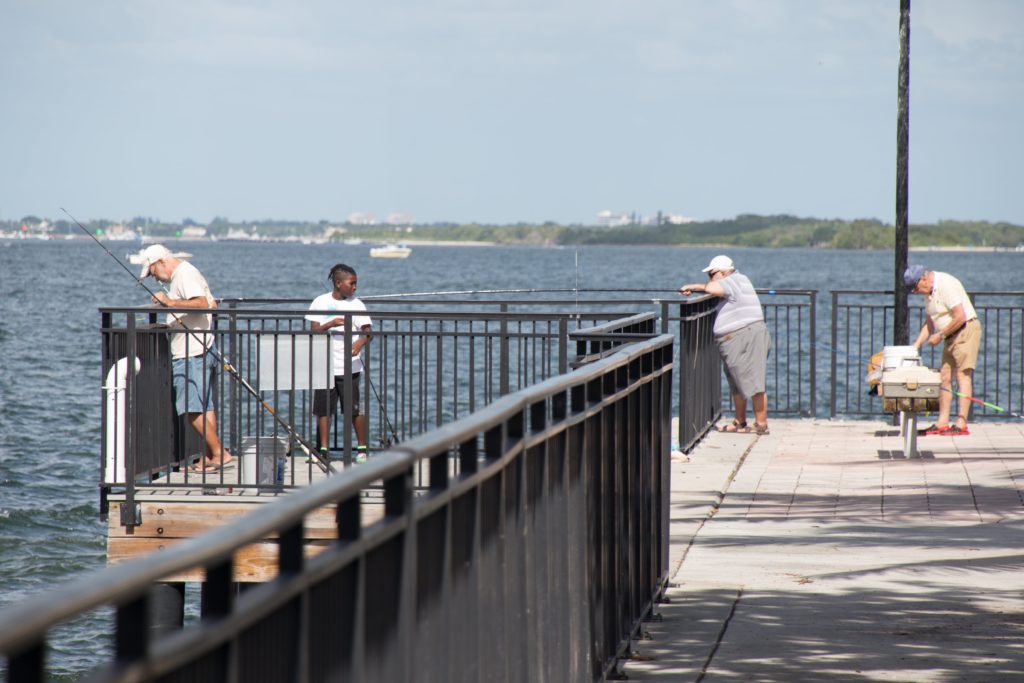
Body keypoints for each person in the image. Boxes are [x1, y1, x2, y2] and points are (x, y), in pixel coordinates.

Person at [138, 244, 233, 472]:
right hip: (201, 347)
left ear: (161, 262)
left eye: (152, 272)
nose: (153, 278)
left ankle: (220, 453)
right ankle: (210, 455)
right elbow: (212, 303)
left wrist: (169, 302)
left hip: (190, 351)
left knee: (190, 409)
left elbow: (200, 303)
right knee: (204, 406)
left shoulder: (183, 274)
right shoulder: (188, 273)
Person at [679, 255, 771, 435]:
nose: (710, 279)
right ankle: (740, 421)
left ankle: (761, 424)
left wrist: (693, 286)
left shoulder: (733, 280)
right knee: (737, 380)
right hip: (739, 337)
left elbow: (714, 288)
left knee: (753, 380)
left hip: (744, 336)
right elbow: (716, 289)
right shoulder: (737, 281)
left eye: (711, 274)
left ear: (721, 273)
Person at [905, 264, 982, 436]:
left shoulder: (945, 284)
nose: (915, 292)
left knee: (963, 375)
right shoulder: (928, 294)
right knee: (944, 378)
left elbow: (960, 316)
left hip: (965, 330)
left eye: (915, 288)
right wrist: (916, 346)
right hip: (950, 335)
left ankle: (961, 424)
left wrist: (940, 335)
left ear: (923, 279)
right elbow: (930, 323)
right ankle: (942, 422)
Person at [306, 264, 373, 461]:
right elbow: (313, 330)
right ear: (338, 283)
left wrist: (360, 342)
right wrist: (330, 324)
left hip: (349, 366)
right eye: (351, 283)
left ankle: (361, 449)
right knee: (323, 409)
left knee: (353, 409)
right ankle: (323, 450)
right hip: (324, 364)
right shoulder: (320, 301)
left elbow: (368, 332)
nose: (355, 287)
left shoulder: (357, 304)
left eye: (356, 283)